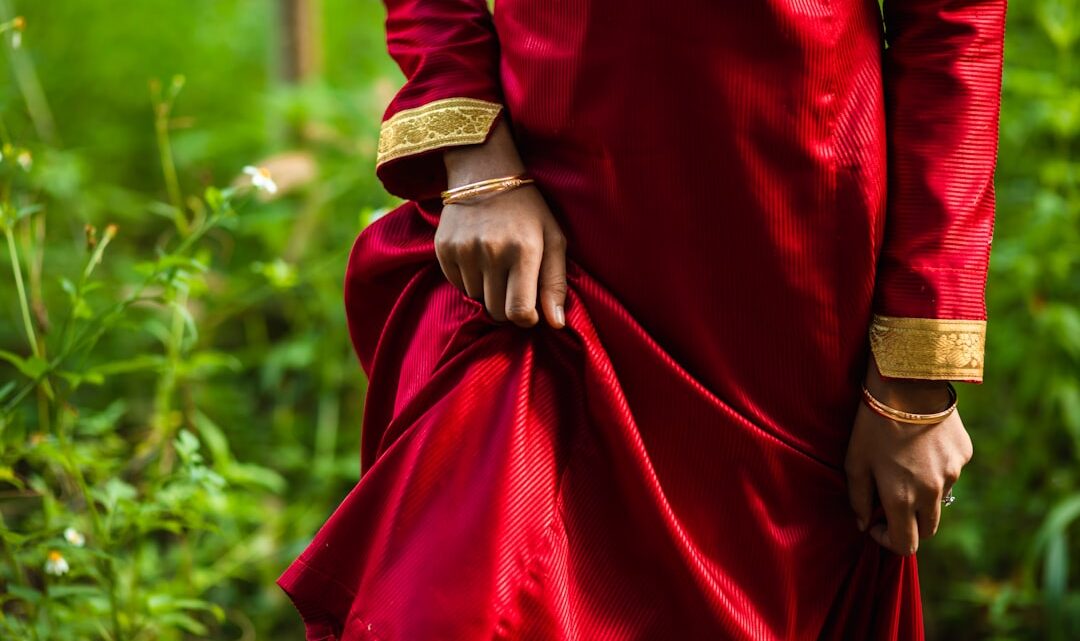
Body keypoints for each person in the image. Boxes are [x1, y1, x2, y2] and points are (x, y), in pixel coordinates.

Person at [277, 0, 1006, 638]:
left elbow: (955, 27)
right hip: (540, 249)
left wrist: (914, 375)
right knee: (448, 605)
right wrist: (474, 160)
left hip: (782, 293)